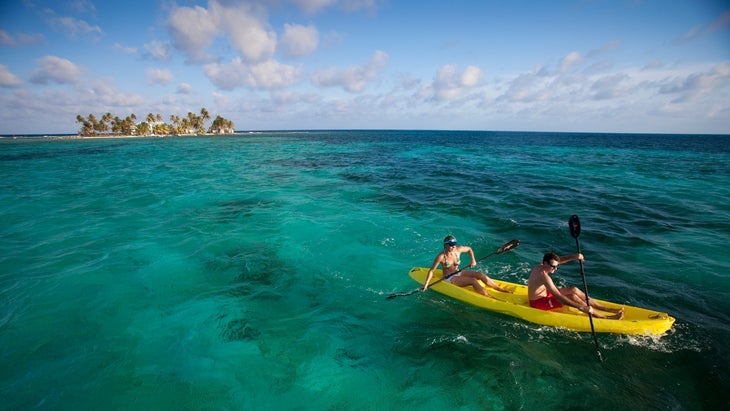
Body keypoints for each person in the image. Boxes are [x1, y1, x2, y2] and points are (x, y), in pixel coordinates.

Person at [527, 252, 624, 319]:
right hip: (538, 303)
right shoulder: (543, 276)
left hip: (545, 294)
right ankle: (603, 317)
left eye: (556, 266)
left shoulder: (542, 266)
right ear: (545, 263)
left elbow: (560, 260)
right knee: (572, 297)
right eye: (553, 266)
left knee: (574, 289)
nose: (555, 269)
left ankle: (607, 309)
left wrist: (574, 256)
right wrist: (579, 307)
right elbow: (558, 296)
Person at [422, 235, 512, 299]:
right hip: (450, 278)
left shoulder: (458, 249)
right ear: (446, 245)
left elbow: (469, 249)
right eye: (451, 245)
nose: (453, 247)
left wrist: (473, 260)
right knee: (473, 281)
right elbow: (431, 271)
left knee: (480, 274)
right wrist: (426, 284)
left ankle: (499, 288)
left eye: (454, 244)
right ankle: (489, 297)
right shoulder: (441, 257)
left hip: (459, 272)